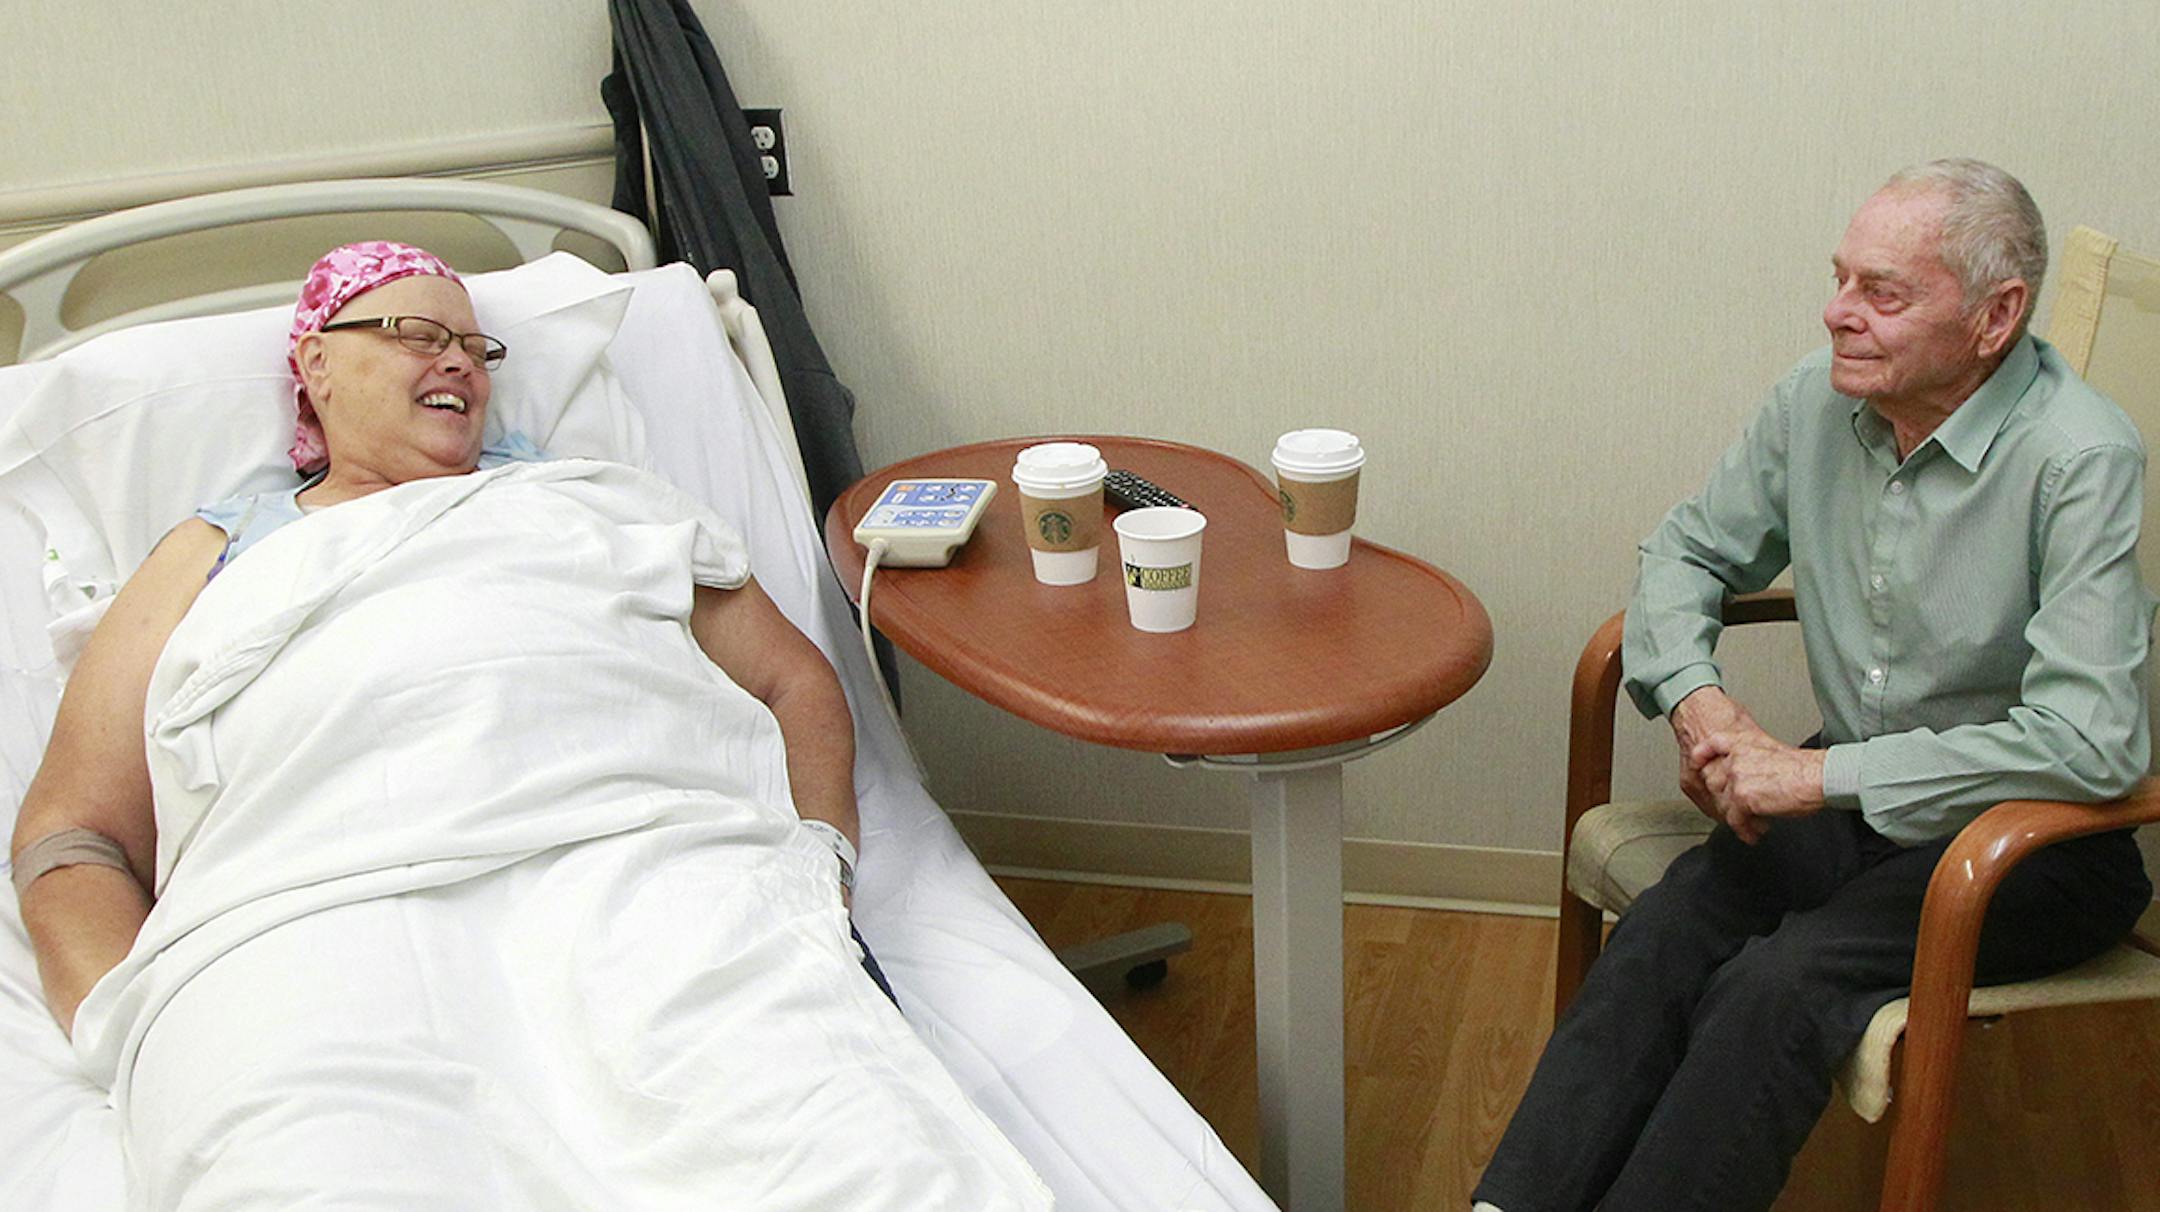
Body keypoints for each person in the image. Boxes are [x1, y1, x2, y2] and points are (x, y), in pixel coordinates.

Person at [8, 243, 1050, 1210]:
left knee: (835, 1149)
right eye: (416, 333)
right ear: (317, 365)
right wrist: (136, 1017)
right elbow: (74, 834)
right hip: (309, 915)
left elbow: (794, 685)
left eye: (474, 344)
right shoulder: (213, 550)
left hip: (649, 866)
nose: (458, 359)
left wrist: (821, 860)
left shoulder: (598, 501)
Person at [1473, 160, 2156, 1212]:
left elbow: (2092, 743)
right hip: (1847, 798)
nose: (1839, 314)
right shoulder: (1816, 398)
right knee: (1668, 930)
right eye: (1842, 279)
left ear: (1995, 316)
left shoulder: (2081, 458)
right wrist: (1705, 705)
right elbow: (1684, 555)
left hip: (2025, 841)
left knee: (1777, 988)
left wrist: (1817, 776)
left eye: (1884, 293)